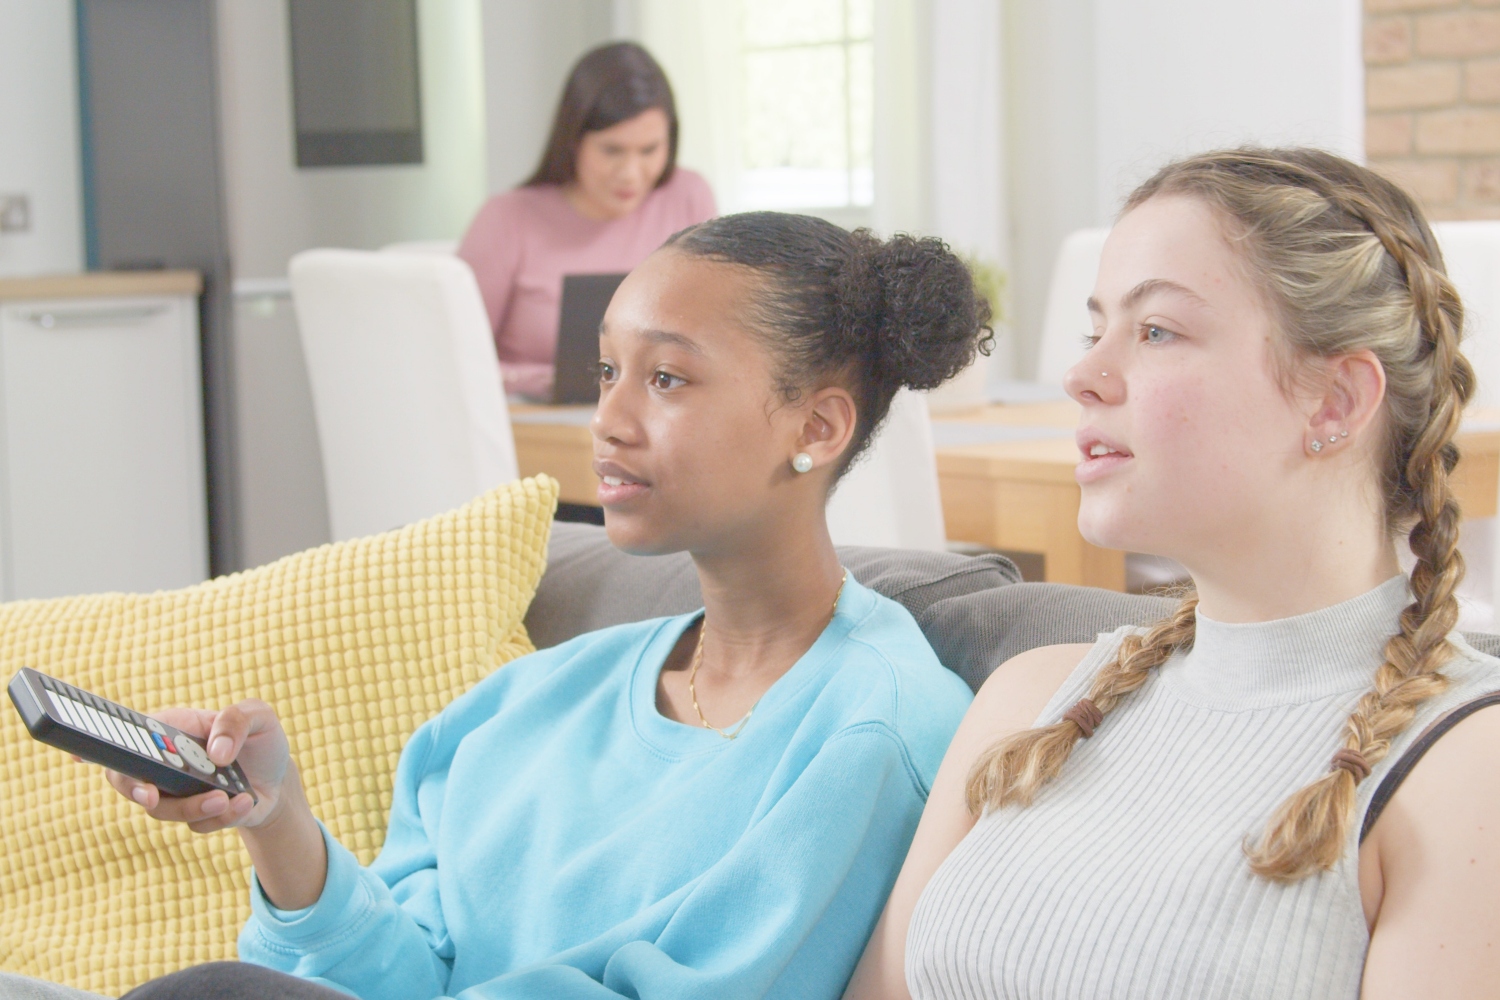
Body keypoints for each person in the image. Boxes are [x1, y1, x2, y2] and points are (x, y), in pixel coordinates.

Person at [31, 212, 988, 1000]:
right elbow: (396, 978)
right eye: (608, 371)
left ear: (815, 426)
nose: (607, 419)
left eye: (666, 378)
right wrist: (275, 820)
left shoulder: (874, 729)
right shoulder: (515, 711)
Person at [845, 148, 1500, 1000]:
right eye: (1094, 330)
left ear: (1335, 402)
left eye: (1156, 331)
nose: (1081, 375)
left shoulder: (1464, 770)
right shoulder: (1033, 700)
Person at [458, 42, 716, 400]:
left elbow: (718, 334)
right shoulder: (506, 219)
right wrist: (545, 381)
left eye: (649, 150)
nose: (631, 173)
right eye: (612, 150)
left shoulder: (688, 196)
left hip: (663, 426)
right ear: (573, 140)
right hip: (538, 426)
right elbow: (451, 357)